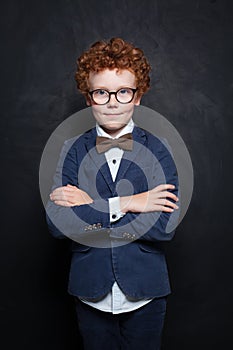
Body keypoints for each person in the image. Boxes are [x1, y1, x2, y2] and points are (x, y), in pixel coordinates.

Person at [47, 37, 179, 350]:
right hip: (89, 288)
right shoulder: (71, 151)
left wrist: (88, 206)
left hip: (145, 290)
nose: (112, 101)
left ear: (138, 96)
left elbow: (163, 227)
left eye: (123, 91)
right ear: (88, 97)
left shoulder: (160, 149)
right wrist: (130, 202)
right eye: (101, 92)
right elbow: (58, 225)